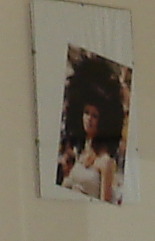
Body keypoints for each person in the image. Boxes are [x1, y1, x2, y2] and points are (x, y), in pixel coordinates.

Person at [54, 50, 128, 204]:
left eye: (95, 115)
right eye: (86, 113)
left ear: (104, 121)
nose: (89, 119)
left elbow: (104, 206)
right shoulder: (80, 153)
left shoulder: (105, 162)